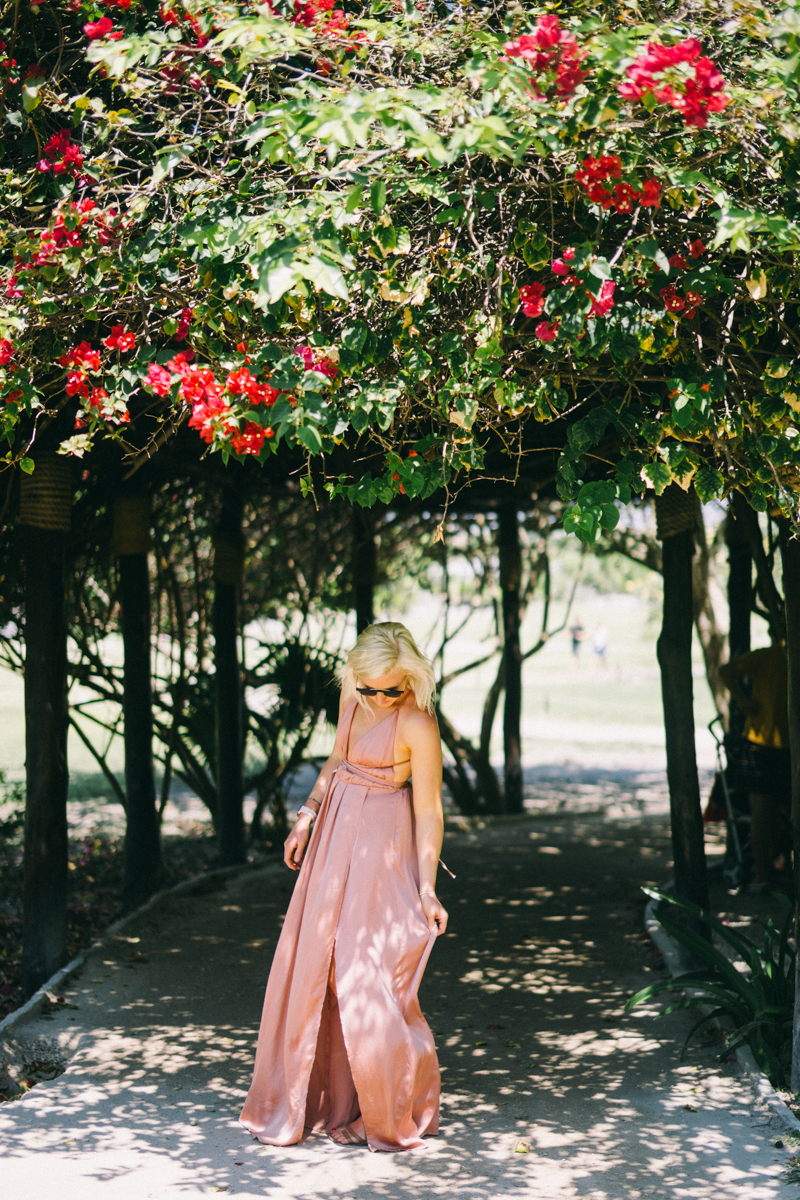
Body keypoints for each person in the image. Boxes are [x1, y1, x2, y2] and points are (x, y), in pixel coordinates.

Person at [239, 622, 448, 1152]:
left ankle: (394, 1107)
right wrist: (306, 816)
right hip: (333, 834)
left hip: (383, 845)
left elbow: (429, 810)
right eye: (369, 686)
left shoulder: (418, 725)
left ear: (413, 679)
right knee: (315, 968)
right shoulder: (353, 696)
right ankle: (331, 1105)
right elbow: (337, 759)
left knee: (368, 977)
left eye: (392, 689)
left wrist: (426, 888)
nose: (379, 697)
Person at [720, 638, 790, 891]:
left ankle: (777, 870)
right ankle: (762, 877)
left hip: (790, 748)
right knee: (762, 813)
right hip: (760, 745)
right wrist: (742, 700)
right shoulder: (766, 657)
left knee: (779, 815)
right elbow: (726, 672)